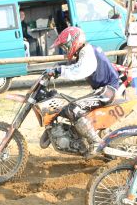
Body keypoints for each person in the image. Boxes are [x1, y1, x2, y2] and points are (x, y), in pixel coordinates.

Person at [47, 26, 120, 157]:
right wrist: (58, 67)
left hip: (107, 91)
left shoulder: (87, 51)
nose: (65, 49)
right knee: (71, 105)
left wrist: (59, 70)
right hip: (104, 90)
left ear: (73, 41)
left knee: (73, 109)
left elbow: (80, 70)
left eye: (65, 46)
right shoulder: (85, 51)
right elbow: (75, 65)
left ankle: (96, 143)